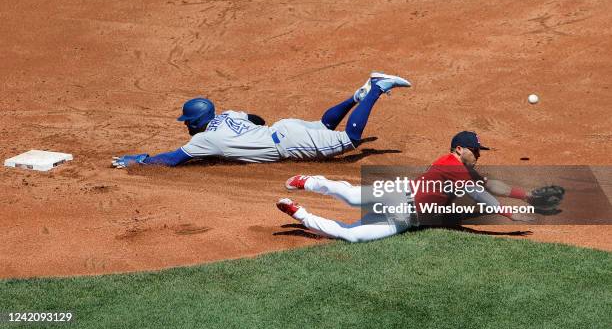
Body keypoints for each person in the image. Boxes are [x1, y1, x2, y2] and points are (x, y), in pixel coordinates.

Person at [276, 131, 554, 242]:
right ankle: (311, 181)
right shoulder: (450, 163)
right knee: (350, 197)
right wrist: (508, 214)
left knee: (353, 237)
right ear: (459, 149)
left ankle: (300, 214)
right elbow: (478, 193)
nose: (479, 154)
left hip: (407, 219)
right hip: (396, 195)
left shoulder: (466, 170)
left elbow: (491, 185)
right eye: (475, 150)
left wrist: (526, 195)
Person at [111, 72, 411, 168]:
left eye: (188, 121)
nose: (186, 125)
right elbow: (256, 118)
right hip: (281, 128)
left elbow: (173, 159)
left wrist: (141, 160)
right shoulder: (227, 115)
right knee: (324, 126)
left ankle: (375, 88)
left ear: (196, 122)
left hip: (287, 142)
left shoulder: (205, 139)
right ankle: (355, 98)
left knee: (349, 140)